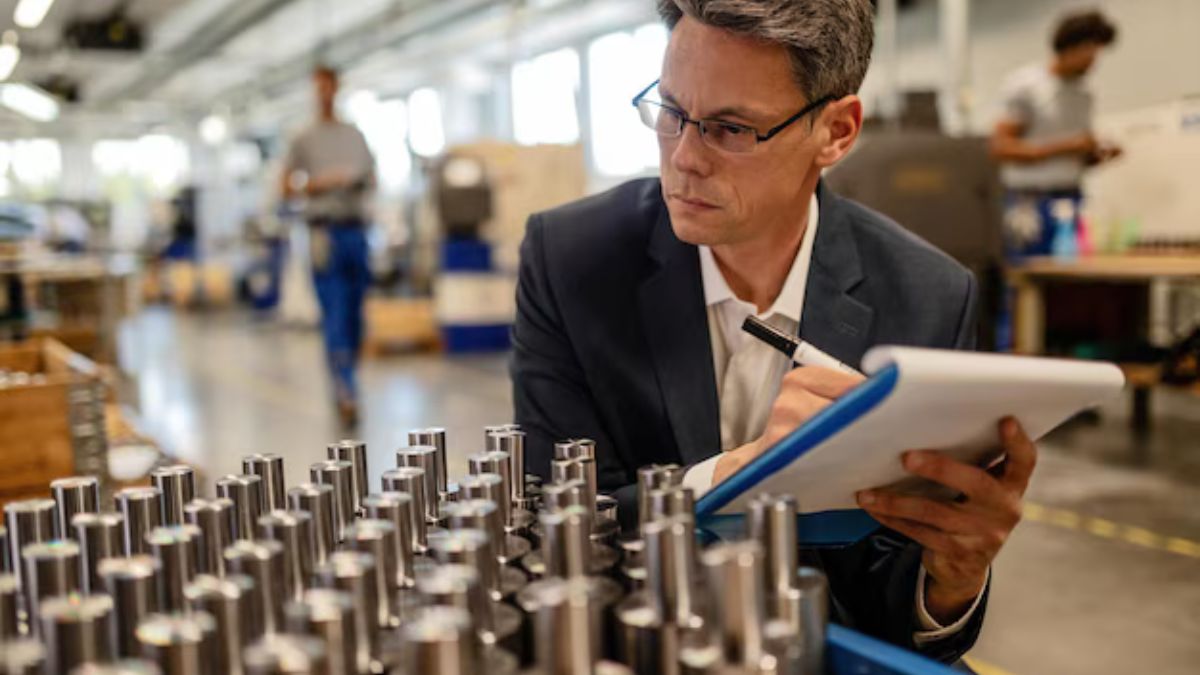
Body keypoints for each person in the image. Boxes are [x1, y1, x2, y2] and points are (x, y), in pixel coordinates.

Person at [512, 0, 1038, 662]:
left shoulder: (928, 297)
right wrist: (732, 478)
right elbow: (550, 527)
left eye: (730, 129)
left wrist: (953, 578)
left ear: (837, 132)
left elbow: (891, 598)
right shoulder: (572, 263)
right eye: (671, 111)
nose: (683, 158)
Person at [281, 65, 376, 428]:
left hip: (357, 233)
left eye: (328, 86)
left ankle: (348, 375)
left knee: (355, 317)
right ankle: (345, 390)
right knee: (335, 313)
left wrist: (354, 180)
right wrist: (321, 183)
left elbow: (372, 176)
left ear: (337, 88)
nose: (323, 93)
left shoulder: (354, 135)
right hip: (325, 235)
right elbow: (285, 186)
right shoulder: (302, 138)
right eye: (317, 87)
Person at [990, 9, 1121, 256]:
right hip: (1029, 202)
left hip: (1071, 198)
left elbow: (1073, 157)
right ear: (1070, 47)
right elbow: (1000, 147)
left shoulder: (1085, 94)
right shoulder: (1028, 86)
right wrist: (1066, 146)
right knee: (1026, 279)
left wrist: (1094, 154)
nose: (1093, 60)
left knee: (1069, 284)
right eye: (1090, 51)